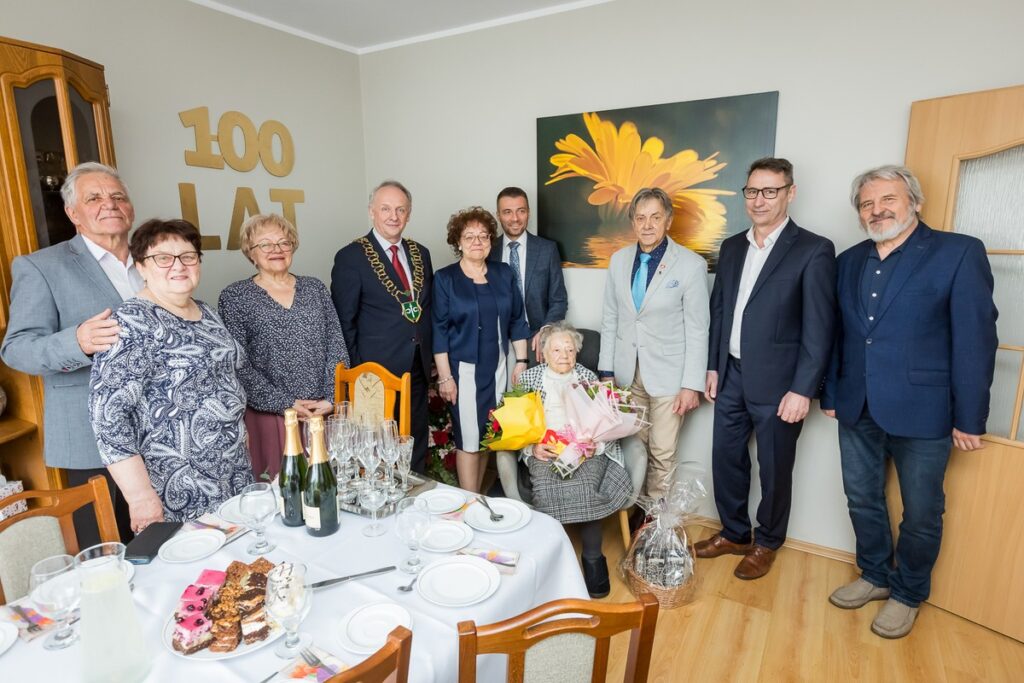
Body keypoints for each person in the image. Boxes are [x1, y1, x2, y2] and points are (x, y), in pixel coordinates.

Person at [822, 165, 997, 639]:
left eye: (888, 200)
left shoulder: (958, 253)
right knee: (861, 498)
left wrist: (970, 417)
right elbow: (840, 334)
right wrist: (833, 393)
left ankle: (907, 592)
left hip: (926, 411)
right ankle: (875, 575)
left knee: (921, 511)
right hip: (856, 405)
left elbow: (975, 341)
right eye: (866, 204)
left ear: (914, 202)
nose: (877, 210)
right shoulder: (849, 260)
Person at [698, 158, 837, 580]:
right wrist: (713, 366)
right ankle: (735, 532)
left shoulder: (814, 249)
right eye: (752, 192)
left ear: (789, 193)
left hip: (781, 383)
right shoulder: (733, 246)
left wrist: (803, 388)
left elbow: (820, 327)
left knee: (775, 468)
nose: (759, 200)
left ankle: (767, 541)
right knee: (725, 457)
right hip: (732, 373)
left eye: (770, 191)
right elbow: (720, 310)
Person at [1, 162, 142, 545]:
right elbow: (16, 349)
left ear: (130, 207)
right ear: (72, 213)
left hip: (159, 430)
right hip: (89, 438)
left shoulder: (153, 260)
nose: (109, 205)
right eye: (93, 198)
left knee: (164, 541)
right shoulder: (41, 267)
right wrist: (76, 342)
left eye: (117, 197)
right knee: (110, 552)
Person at [89, 219, 254, 531]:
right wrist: (138, 496)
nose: (178, 266)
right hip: (176, 484)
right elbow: (108, 418)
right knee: (196, 576)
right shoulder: (130, 324)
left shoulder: (206, 313)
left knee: (239, 567)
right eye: (163, 258)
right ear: (141, 267)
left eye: (188, 256)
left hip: (232, 471)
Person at [598, 187, 710, 501]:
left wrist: (691, 385)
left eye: (655, 217)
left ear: (668, 220)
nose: (647, 225)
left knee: (662, 451)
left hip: (670, 378)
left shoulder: (690, 265)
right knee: (634, 447)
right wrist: (606, 372)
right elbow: (610, 318)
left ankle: (655, 525)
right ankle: (634, 513)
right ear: (633, 222)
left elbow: (699, 330)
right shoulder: (619, 260)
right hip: (626, 375)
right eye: (640, 218)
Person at [219, 213, 350, 478]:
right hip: (270, 417)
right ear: (251, 253)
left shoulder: (315, 288)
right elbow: (237, 365)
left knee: (326, 487)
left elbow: (336, 344)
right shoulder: (235, 297)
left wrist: (330, 398)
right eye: (265, 244)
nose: (276, 250)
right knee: (280, 496)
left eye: (283, 242)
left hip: (320, 413)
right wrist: (285, 403)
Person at [516, 321, 633, 598]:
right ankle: (550, 563)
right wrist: (532, 449)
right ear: (543, 353)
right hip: (545, 451)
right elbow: (514, 428)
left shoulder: (589, 378)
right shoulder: (528, 380)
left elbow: (609, 424)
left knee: (587, 485)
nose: (564, 355)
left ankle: (593, 557)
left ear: (577, 353)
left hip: (585, 450)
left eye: (570, 349)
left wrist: (597, 444)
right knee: (543, 489)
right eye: (556, 349)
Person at [332, 180, 433, 472]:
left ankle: (416, 498)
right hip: (374, 372)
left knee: (414, 439)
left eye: (401, 209)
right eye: (386, 209)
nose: (394, 216)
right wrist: (358, 373)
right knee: (376, 446)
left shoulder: (420, 253)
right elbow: (344, 321)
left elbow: (427, 308)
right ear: (372, 212)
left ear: (409, 214)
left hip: (415, 365)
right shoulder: (351, 257)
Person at [433, 207, 530, 493]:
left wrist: (521, 361)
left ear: (491, 240)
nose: (477, 242)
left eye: (483, 236)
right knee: (468, 439)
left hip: (498, 368)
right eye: (469, 236)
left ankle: (478, 496)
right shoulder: (445, 279)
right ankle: (469, 501)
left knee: (490, 434)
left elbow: (517, 319)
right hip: (464, 371)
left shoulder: (503, 273)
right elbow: (438, 330)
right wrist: (445, 377)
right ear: (458, 242)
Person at [487, 187, 568, 364]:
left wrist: (546, 330)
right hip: (495, 341)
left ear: (528, 213)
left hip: (535, 341)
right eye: (507, 212)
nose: (515, 218)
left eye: (521, 211)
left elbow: (559, 300)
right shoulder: (486, 250)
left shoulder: (547, 250)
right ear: (498, 215)